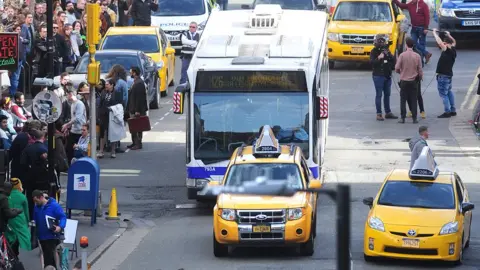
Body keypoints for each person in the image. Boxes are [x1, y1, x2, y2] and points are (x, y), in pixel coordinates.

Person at [32, 190, 67, 269]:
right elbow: (35, 219)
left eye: (36, 201)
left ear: (41, 197)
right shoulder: (36, 207)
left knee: (49, 258)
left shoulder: (54, 206)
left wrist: (60, 227)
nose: (35, 203)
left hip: (51, 236)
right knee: (46, 256)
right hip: (41, 236)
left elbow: (63, 217)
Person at [20, 129, 49, 218]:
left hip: (30, 178)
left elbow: (23, 163)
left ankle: (31, 216)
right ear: (42, 138)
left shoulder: (28, 148)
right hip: (43, 178)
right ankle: (42, 215)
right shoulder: (45, 148)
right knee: (42, 196)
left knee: (30, 197)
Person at [393, 0, 432, 64]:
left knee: (422, 44)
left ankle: (421, 61)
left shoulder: (424, 5)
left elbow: (427, 17)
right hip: (414, 28)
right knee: (413, 43)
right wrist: (395, 1)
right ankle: (426, 54)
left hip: (422, 28)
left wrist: (426, 28)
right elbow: (402, 5)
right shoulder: (411, 4)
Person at [369, 34, 398, 121]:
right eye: (379, 41)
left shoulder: (386, 50)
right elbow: (372, 63)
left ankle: (388, 112)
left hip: (387, 75)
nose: (381, 43)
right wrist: (379, 58)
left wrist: (388, 54)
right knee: (379, 94)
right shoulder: (373, 51)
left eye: (382, 41)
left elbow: (393, 61)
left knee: (387, 94)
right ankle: (379, 114)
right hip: (378, 76)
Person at [395, 37, 423, 124]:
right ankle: (414, 118)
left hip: (404, 81)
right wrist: (420, 77)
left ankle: (402, 118)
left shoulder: (402, 55)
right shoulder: (417, 56)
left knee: (403, 100)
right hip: (414, 81)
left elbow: (396, 68)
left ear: (406, 45)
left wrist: (401, 72)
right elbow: (420, 70)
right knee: (414, 99)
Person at [433, 29, 457, 119]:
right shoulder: (453, 50)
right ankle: (453, 110)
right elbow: (454, 42)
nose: (444, 44)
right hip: (449, 75)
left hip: (443, 76)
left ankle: (447, 112)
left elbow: (439, 43)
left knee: (443, 94)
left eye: (445, 43)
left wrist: (434, 33)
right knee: (449, 92)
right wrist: (449, 35)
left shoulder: (447, 50)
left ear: (447, 44)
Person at [6, 178, 31, 257]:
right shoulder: (22, 197)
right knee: (22, 237)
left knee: (10, 236)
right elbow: (26, 211)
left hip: (9, 219)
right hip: (20, 220)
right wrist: (27, 222)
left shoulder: (7, 195)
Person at [98, 79, 123, 158]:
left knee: (113, 133)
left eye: (107, 84)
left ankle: (113, 151)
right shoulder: (103, 93)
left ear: (112, 85)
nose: (106, 86)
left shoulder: (117, 93)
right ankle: (101, 151)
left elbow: (120, 105)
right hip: (103, 115)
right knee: (103, 133)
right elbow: (100, 104)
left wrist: (112, 108)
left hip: (112, 115)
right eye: (105, 84)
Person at [62, 88, 87, 164]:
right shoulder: (72, 104)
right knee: (69, 149)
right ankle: (70, 165)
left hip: (80, 131)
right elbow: (73, 118)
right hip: (73, 130)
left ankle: (76, 165)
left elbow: (78, 118)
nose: (66, 96)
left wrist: (67, 125)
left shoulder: (79, 104)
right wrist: (68, 127)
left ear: (71, 94)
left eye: (67, 95)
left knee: (76, 150)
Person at [128, 67, 148, 150]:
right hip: (133, 108)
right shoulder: (136, 82)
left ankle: (138, 143)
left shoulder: (139, 83)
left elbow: (139, 98)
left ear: (135, 73)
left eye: (131, 72)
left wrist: (137, 110)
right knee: (133, 126)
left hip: (137, 110)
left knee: (138, 127)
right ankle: (134, 142)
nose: (130, 73)